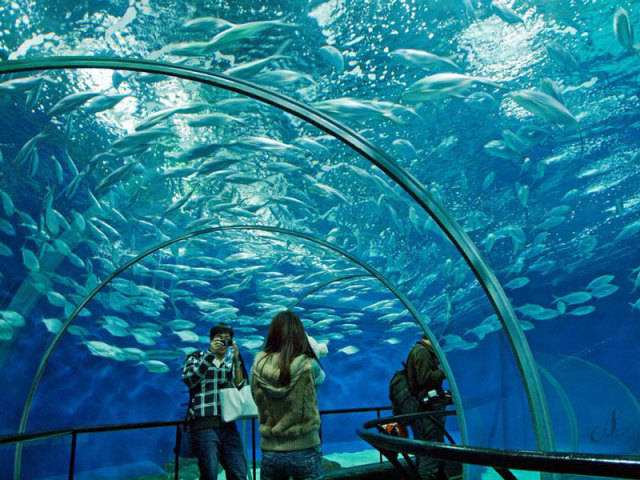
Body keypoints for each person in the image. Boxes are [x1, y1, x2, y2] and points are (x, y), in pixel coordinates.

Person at [251, 310, 326, 480]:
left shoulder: (257, 366)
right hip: (305, 447)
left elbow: (256, 398)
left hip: (270, 450)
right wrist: (315, 350)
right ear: (300, 334)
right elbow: (320, 384)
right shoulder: (310, 365)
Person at [182, 323, 248, 480]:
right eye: (220, 339)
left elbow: (241, 386)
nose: (224, 343)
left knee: (239, 471)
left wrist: (237, 359)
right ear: (211, 340)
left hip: (228, 424)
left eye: (228, 340)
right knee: (209, 473)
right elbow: (190, 380)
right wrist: (210, 354)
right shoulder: (195, 357)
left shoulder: (230, 363)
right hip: (203, 425)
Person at [389, 335, 447, 480]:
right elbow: (424, 379)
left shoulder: (420, 351)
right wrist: (444, 371)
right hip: (426, 410)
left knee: (425, 449)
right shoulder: (422, 352)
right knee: (430, 450)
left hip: (424, 410)